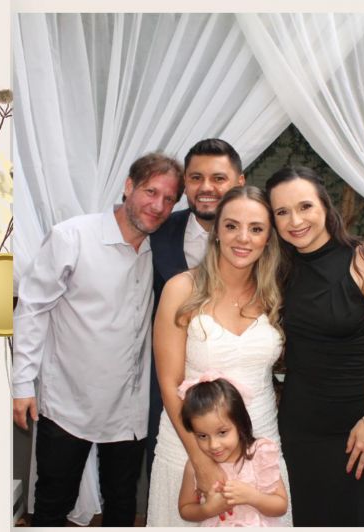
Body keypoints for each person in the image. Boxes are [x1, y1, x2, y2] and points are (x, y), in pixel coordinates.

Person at [12, 152, 183, 527]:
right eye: (151, 192)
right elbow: (32, 308)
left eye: (169, 199)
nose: (158, 206)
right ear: (128, 186)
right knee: (53, 503)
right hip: (68, 404)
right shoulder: (72, 236)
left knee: (122, 503)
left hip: (129, 409)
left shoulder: (161, 249)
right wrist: (22, 383)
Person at [265, 166, 364, 526]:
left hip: (362, 422)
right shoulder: (276, 270)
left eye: (305, 206)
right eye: (282, 212)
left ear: (325, 206)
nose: (296, 220)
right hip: (301, 425)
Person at [147, 185, 292, 527]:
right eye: (231, 226)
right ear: (216, 232)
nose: (243, 238)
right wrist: (200, 461)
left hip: (259, 442)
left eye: (256, 229)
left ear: (269, 238)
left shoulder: (276, 294)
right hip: (189, 443)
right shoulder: (182, 289)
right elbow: (168, 383)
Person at [147, 139, 245, 481]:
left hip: (243, 390)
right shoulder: (157, 231)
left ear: (239, 182)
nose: (206, 188)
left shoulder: (262, 237)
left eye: (218, 178)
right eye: (196, 178)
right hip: (169, 389)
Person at [177, 375, 289, 527]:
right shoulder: (195, 466)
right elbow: (185, 509)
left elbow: (281, 506)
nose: (213, 445)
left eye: (222, 432)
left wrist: (252, 497)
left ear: (239, 423)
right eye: (202, 436)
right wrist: (207, 509)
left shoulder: (259, 454)